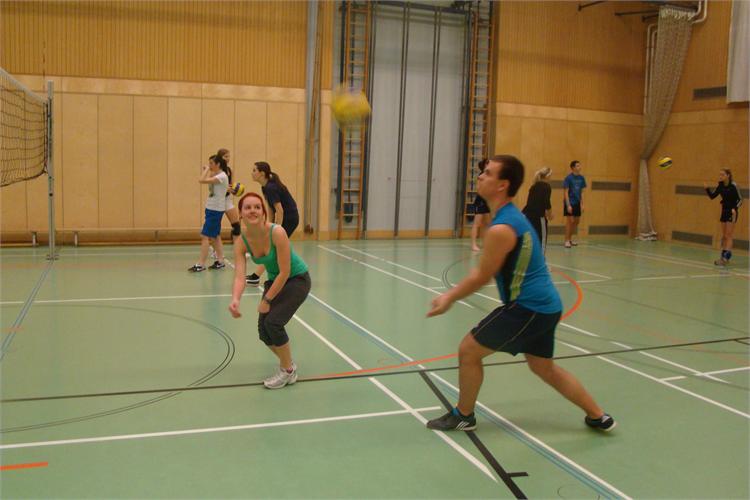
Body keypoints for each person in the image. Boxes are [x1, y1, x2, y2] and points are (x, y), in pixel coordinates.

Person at [425, 155, 615, 432]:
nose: (480, 176)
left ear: (502, 185)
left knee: (468, 350)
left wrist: (448, 297)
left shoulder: (503, 228)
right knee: (543, 367)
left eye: (488, 173)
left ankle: (464, 415)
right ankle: (598, 416)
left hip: (529, 307)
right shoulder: (510, 217)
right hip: (547, 306)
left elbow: (482, 276)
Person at [229, 192, 311, 389]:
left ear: (264, 212)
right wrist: (235, 299)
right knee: (264, 332)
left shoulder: (277, 232)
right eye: (247, 207)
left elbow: (285, 271)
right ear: (240, 214)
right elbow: (240, 276)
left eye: (257, 207)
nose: (253, 211)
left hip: (296, 279)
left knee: (273, 322)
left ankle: (287, 370)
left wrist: (267, 300)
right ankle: (288, 364)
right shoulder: (241, 241)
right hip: (275, 280)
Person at [246, 161, 300, 285]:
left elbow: (280, 210)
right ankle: (258, 276)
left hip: (289, 218)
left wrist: (277, 229)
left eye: (254, 170)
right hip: (284, 217)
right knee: (273, 247)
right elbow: (271, 209)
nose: (252, 173)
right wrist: (268, 226)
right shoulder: (265, 187)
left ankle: (257, 276)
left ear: (262, 173)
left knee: (273, 248)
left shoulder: (271, 188)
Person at [188, 155, 229, 272]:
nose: (210, 165)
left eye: (211, 163)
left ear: (218, 164)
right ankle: (220, 261)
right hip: (211, 208)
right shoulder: (217, 175)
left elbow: (201, 180)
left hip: (215, 210)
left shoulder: (221, 176)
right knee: (215, 236)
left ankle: (201, 264)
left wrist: (206, 170)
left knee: (205, 236)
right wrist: (210, 170)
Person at [704, 168, 743, 266]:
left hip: (732, 212)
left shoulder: (733, 186)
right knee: (724, 235)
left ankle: (726, 258)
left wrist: (735, 208)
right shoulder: (720, 186)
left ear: (728, 175)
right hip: (724, 211)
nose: (720, 176)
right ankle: (723, 257)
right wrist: (707, 189)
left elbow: (740, 200)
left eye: (722, 175)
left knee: (729, 235)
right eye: (720, 175)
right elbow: (712, 196)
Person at [522, 166, 553, 254]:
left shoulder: (534, 186)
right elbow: (547, 202)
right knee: (542, 239)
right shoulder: (546, 186)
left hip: (528, 215)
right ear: (547, 176)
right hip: (539, 217)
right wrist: (550, 214)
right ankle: (541, 260)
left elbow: (530, 202)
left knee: (531, 238)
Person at [217, 148, 242, 240]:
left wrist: (235, 190)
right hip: (217, 201)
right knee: (215, 227)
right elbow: (213, 187)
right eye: (225, 156)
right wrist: (224, 189)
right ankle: (214, 248)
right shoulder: (216, 170)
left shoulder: (229, 170)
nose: (227, 158)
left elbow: (231, 185)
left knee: (236, 225)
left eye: (228, 156)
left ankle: (237, 246)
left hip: (227, 200)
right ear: (220, 157)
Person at [563, 160, 586, 249]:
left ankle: (570, 239)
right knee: (570, 221)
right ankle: (566, 240)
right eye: (577, 166)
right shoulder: (568, 178)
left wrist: (582, 204)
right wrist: (568, 205)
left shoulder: (582, 178)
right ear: (573, 168)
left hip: (577, 202)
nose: (579, 167)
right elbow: (566, 192)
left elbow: (582, 192)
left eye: (579, 165)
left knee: (576, 221)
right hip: (570, 202)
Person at [471, 159, 491, 252]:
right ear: (484, 165)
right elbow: (479, 189)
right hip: (480, 202)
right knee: (477, 224)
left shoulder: (489, 176)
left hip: (487, 202)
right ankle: (473, 244)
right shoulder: (481, 176)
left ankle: (486, 243)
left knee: (488, 224)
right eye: (488, 163)